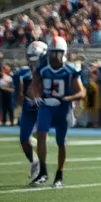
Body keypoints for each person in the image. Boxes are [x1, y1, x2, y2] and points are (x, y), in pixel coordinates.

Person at [30, 36, 84, 187]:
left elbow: (81, 92)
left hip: (62, 108)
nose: (55, 57)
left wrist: (66, 99)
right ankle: (43, 171)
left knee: (61, 142)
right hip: (46, 106)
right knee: (41, 135)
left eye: (58, 53)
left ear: (64, 53)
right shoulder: (43, 68)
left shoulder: (70, 69)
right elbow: (34, 86)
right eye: (52, 53)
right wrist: (37, 97)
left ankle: (59, 174)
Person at [14, 40, 47, 184]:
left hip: (45, 108)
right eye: (31, 59)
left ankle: (42, 170)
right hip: (29, 108)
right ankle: (34, 162)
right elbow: (18, 97)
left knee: (41, 137)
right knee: (23, 139)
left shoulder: (49, 72)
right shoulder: (22, 74)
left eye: (37, 60)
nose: (33, 63)